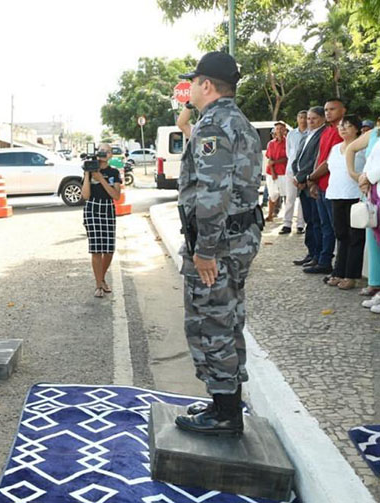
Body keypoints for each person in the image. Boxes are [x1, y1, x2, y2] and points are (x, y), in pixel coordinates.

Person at [174, 52, 263, 436]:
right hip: (237, 238)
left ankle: (225, 415)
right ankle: (223, 401)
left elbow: (213, 194)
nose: (190, 87)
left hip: (219, 245)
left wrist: (205, 249)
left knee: (210, 322)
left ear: (206, 85)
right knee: (226, 320)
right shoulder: (235, 121)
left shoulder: (214, 126)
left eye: (193, 81)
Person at [304, 98, 347, 275]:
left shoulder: (342, 132)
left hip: (334, 186)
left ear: (343, 110)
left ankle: (339, 266)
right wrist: (313, 181)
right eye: (326, 109)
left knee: (336, 228)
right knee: (324, 225)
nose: (328, 112)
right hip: (321, 185)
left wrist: (311, 177)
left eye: (332, 109)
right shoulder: (326, 131)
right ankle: (323, 261)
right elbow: (320, 156)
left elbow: (329, 162)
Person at [325, 115, 366, 290]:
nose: (342, 129)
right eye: (341, 126)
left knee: (355, 236)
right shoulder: (335, 148)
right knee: (341, 235)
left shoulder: (363, 148)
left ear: (356, 129)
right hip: (336, 194)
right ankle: (338, 272)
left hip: (355, 196)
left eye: (347, 126)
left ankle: (351, 275)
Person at [82, 143, 122, 298]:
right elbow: (85, 196)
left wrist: (101, 179)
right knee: (96, 248)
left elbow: (116, 196)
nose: (102, 153)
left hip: (107, 208)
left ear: (111, 155)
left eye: (106, 151)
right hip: (92, 209)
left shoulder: (114, 172)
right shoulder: (90, 169)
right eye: (100, 150)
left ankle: (102, 278)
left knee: (109, 249)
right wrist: (88, 175)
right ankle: (99, 285)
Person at [348, 121, 380, 302]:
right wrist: (360, 176)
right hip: (372, 193)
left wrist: (368, 176)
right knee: (375, 239)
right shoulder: (376, 134)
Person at [292, 107, 327, 268]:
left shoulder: (323, 134)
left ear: (322, 119)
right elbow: (297, 158)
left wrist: (305, 178)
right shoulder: (306, 134)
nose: (310, 121)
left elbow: (315, 160)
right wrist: (296, 176)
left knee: (316, 221)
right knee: (309, 221)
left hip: (312, 183)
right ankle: (311, 252)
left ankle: (319, 256)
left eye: (314, 118)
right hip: (301, 183)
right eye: (308, 119)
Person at [280, 111, 308, 234]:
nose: (302, 120)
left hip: (305, 170)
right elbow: (288, 152)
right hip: (291, 170)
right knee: (290, 197)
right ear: (297, 119)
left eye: (305, 118)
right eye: (300, 117)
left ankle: (301, 224)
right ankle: (287, 224)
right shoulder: (291, 134)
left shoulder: (310, 133)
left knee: (303, 198)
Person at [264, 122, 287, 222]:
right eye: (277, 129)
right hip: (272, 172)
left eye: (281, 128)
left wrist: (276, 162)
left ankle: (287, 217)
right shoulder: (271, 144)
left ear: (285, 131)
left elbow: (288, 158)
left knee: (287, 195)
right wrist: (273, 172)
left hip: (285, 172)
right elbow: (270, 159)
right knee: (272, 195)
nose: (279, 131)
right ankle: (270, 215)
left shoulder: (288, 143)